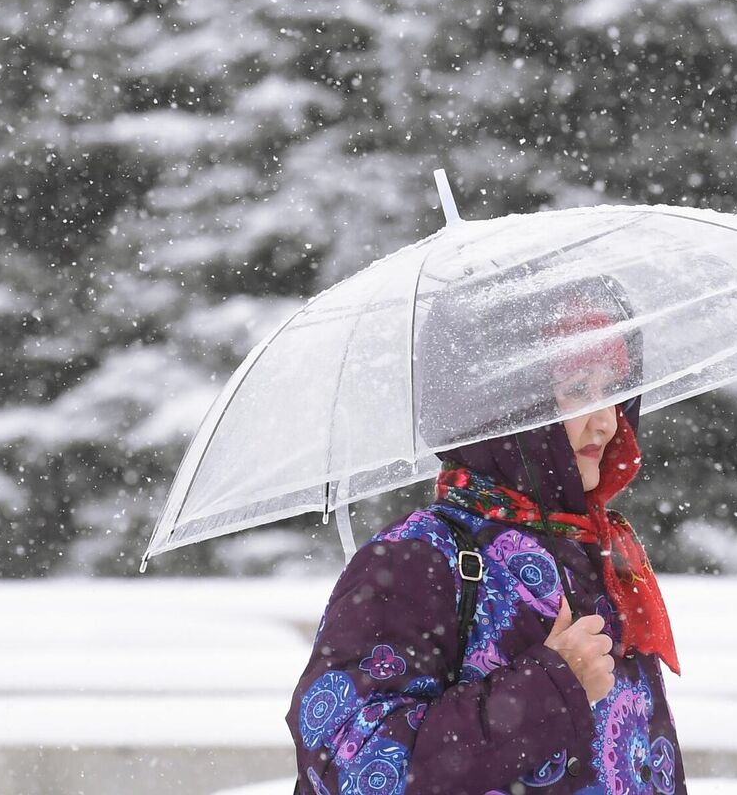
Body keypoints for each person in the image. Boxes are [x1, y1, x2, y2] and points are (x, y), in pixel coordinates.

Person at [285, 277, 685, 795]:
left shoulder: (595, 551)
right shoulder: (420, 558)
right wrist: (549, 688)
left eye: (614, 389)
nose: (607, 422)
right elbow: (351, 766)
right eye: (578, 389)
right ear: (505, 404)